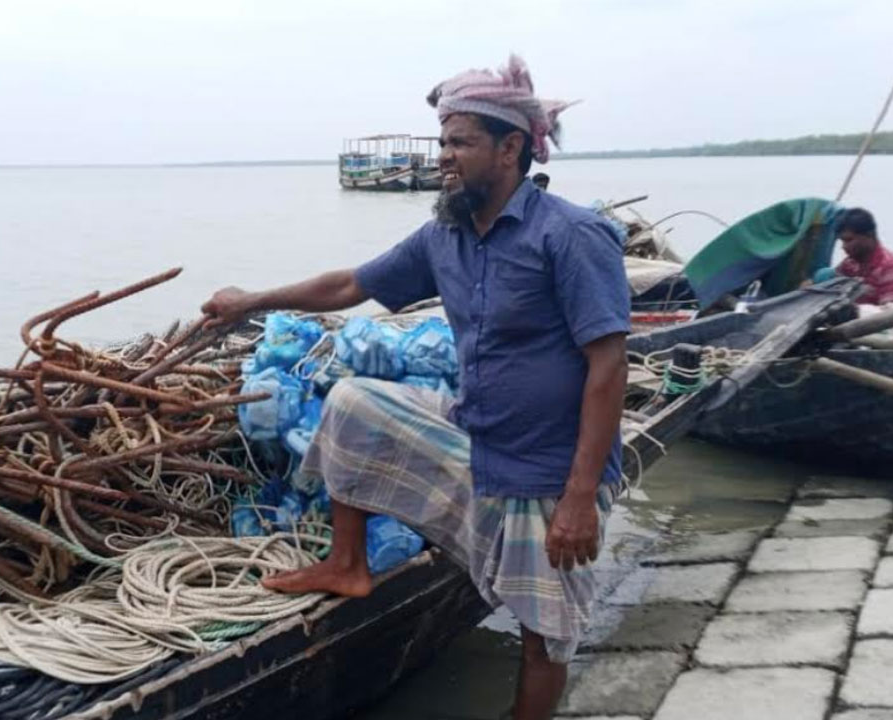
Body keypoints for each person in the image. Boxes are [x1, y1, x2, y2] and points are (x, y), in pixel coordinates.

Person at [201, 55, 629, 720]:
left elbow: (608, 368)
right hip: (474, 431)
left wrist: (580, 499)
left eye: (461, 142)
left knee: (545, 636)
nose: (444, 158)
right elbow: (348, 286)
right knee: (351, 402)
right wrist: (248, 301)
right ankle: (349, 563)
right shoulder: (446, 235)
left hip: (548, 463)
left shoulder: (570, 236)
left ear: (511, 147)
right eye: (442, 142)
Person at [830, 207, 893, 305]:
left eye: (849, 240)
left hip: (884, 319)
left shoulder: (890, 269)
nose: (844, 247)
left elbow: (891, 315)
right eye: (842, 241)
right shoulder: (850, 263)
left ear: (869, 235)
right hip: (857, 316)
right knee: (824, 275)